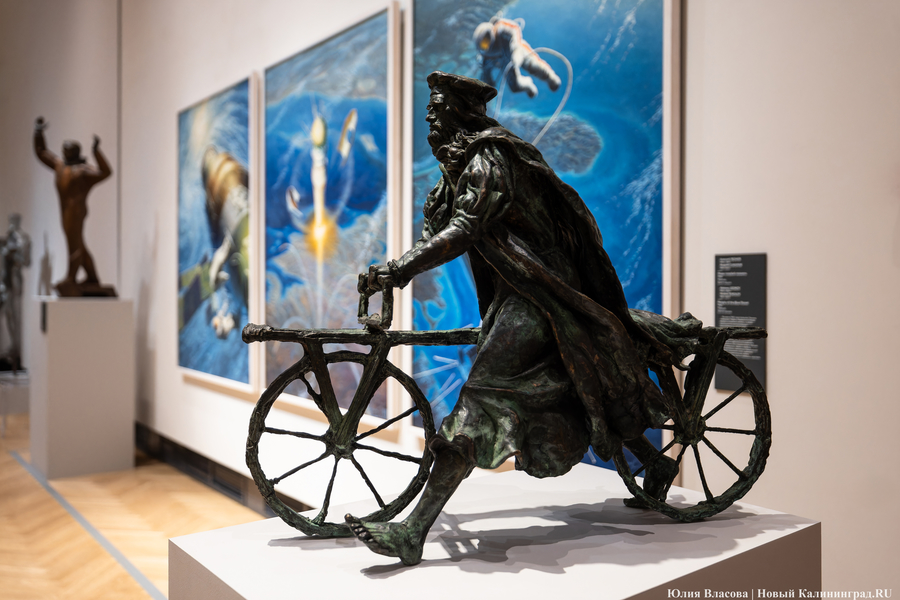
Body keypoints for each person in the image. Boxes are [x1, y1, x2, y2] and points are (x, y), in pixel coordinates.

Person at [346, 71, 677, 565]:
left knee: (480, 398)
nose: (430, 118)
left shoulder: (489, 160)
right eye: (429, 110)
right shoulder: (459, 168)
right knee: (570, 378)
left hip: (541, 293)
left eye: (438, 109)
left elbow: (463, 230)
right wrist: (402, 258)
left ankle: (412, 532)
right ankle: (654, 463)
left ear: (461, 114)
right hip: (517, 291)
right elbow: (439, 230)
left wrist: (399, 270)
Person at [33, 116, 114, 296]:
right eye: (64, 150)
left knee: (74, 243)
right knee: (79, 244)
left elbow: (106, 172)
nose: (64, 152)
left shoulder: (83, 171)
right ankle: (92, 277)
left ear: (76, 152)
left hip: (76, 212)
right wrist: (38, 132)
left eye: (68, 150)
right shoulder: (60, 166)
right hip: (65, 211)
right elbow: (41, 152)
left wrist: (97, 151)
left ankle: (71, 278)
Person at [473, 16, 561, 98]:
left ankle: (551, 77)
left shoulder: (499, 29)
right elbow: (486, 75)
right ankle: (529, 86)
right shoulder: (485, 58)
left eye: (486, 41)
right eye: (483, 45)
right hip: (506, 64)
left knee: (533, 65)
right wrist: (488, 85)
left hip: (518, 50)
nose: (487, 46)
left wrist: (516, 51)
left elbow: (514, 29)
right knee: (515, 87)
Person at [0, 214, 31, 371]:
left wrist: (13, 254)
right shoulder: (7, 239)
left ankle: (15, 354)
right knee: (8, 318)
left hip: (15, 282)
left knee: (16, 318)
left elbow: (26, 261)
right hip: (6, 283)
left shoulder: (23, 239)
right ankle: (10, 351)